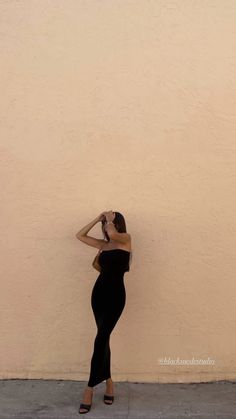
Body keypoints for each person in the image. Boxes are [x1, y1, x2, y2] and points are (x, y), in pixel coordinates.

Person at [75, 210, 132, 414]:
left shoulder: (125, 239)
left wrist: (109, 219)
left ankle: (89, 389)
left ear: (117, 223)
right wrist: (96, 218)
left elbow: (114, 234)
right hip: (98, 294)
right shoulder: (104, 245)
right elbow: (79, 235)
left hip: (117, 296)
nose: (106, 227)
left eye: (109, 222)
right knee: (103, 338)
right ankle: (109, 382)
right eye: (106, 223)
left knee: (100, 339)